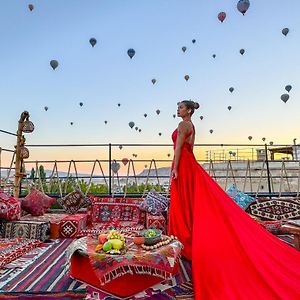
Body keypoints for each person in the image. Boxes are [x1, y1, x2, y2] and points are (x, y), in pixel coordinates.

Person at [168, 100, 300, 300]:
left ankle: (183, 238)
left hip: (183, 165)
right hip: (189, 163)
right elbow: (190, 149)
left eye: (180, 107)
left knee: (184, 201)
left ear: (188, 110)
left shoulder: (183, 124)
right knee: (190, 200)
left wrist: (176, 168)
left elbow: (178, 148)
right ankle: (185, 236)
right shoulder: (192, 126)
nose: (178, 110)